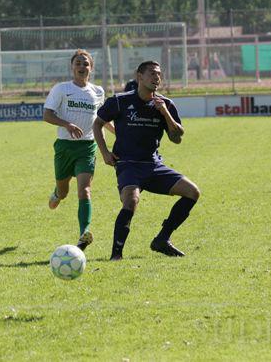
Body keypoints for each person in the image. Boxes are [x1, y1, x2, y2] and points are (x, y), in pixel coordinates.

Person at [93, 60, 200, 260]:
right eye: (152, 73)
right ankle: (116, 255)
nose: (156, 77)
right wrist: (105, 153)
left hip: (154, 165)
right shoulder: (119, 101)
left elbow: (176, 138)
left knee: (192, 192)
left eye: (159, 74)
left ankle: (162, 239)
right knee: (131, 200)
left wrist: (165, 113)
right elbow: (98, 123)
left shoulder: (165, 104)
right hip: (128, 164)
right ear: (139, 77)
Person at [43, 49, 114, 251]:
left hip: (87, 147)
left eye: (86, 64)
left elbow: (101, 120)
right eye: (78, 63)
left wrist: (118, 132)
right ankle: (57, 193)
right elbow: (47, 115)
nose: (82, 67)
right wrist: (67, 124)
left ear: (91, 68)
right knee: (64, 192)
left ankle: (84, 233)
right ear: (72, 67)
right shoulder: (61, 89)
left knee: (84, 190)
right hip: (65, 147)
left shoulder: (98, 92)